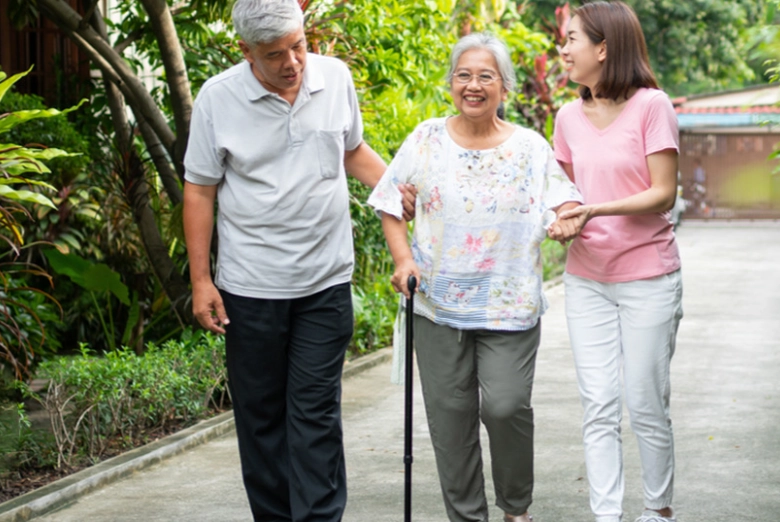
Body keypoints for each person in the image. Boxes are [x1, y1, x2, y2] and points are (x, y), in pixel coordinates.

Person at [182, 0, 415, 519]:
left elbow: (352, 150)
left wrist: (397, 190)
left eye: (299, 46)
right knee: (261, 420)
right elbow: (200, 189)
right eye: (275, 54)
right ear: (245, 52)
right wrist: (201, 280)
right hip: (250, 287)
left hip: (324, 282)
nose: (293, 62)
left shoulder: (335, 79)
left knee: (315, 416)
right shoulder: (218, 98)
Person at [369, 33, 583, 522]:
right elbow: (387, 201)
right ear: (450, 83)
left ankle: (515, 508)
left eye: (486, 75)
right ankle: (467, 516)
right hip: (438, 306)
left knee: (506, 407)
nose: (473, 85)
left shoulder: (529, 147)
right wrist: (403, 260)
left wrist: (569, 217)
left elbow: (564, 197)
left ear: (504, 86)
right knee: (450, 420)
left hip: (509, 304)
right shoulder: (425, 139)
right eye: (463, 75)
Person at [550, 2, 684, 522]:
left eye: (572, 39)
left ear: (603, 48)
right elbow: (561, 193)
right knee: (598, 405)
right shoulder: (565, 116)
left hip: (648, 276)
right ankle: (606, 515)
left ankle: (657, 511)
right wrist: (561, 219)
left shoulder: (653, 106)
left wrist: (594, 210)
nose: (563, 49)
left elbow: (663, 193)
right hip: (587, 280)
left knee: (646, 402)